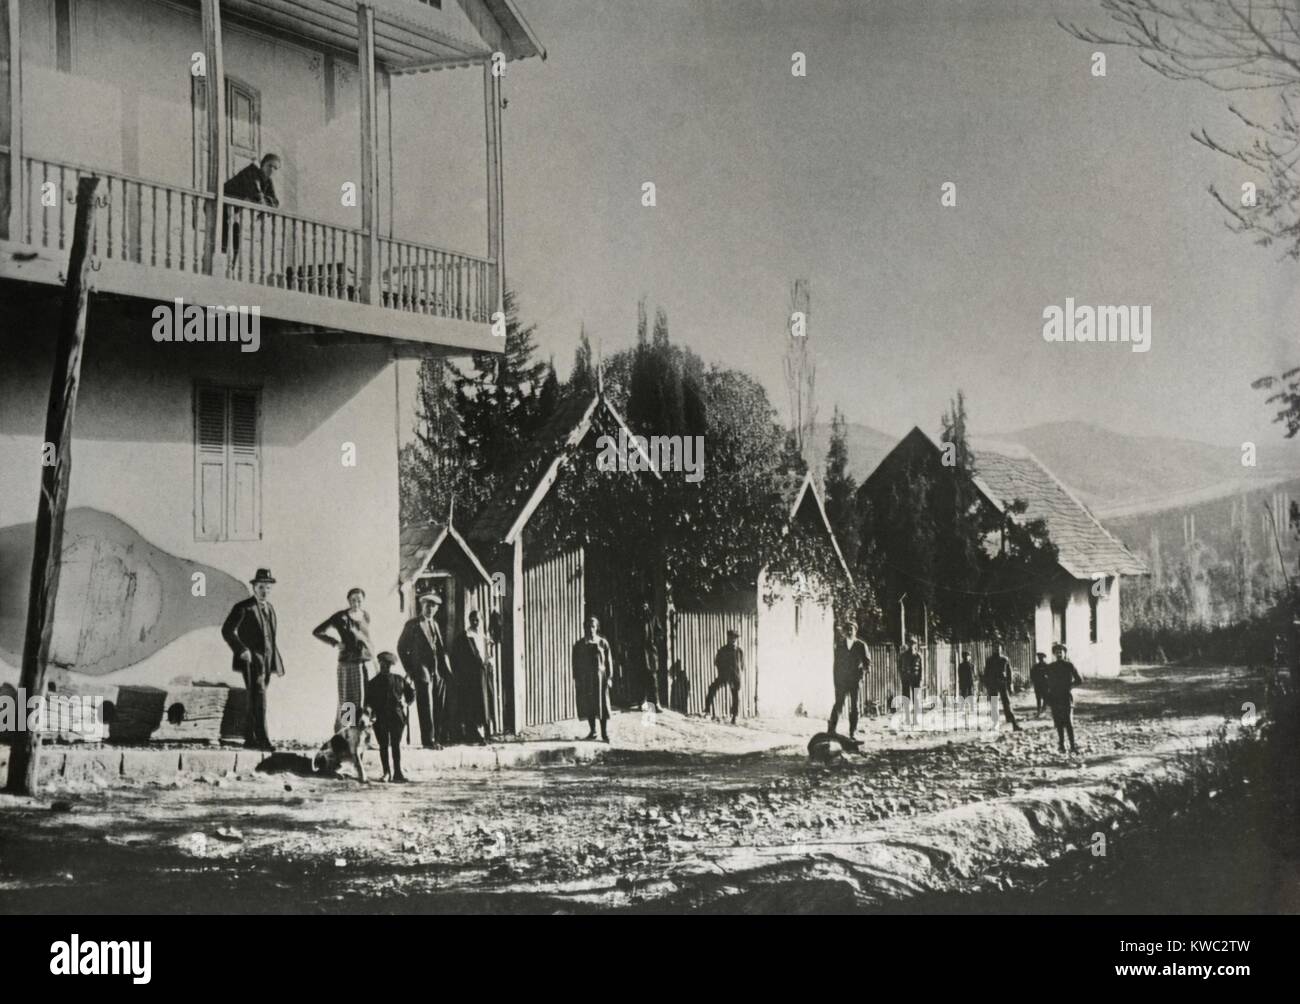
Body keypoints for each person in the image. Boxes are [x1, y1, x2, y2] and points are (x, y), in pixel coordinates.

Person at [220, 568, 285, 751]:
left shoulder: (270, 608)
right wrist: (241, 649)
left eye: (268, 587)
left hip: (267, 660)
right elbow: (227, 630)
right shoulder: (243, 607)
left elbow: (270, 637)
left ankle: (250, 739)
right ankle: (263, 739)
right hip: (251, 660)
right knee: (259, 697)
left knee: (255, 698)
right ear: (254, 587)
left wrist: (274, 660)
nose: (265, 591)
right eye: (261, 587)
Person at [313, 588, 375, 733]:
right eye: (353, 600)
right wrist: (335, 643)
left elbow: (367, 639)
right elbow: (318, 631)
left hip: (365, 662)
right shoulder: (341, 617)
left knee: (365, 698)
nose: (356, 603)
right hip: (348, 663)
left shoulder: (366, 616)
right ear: (348, 600)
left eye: (359, 600)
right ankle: (346, 734)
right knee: (348, 699)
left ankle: (361, 734)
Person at [397, 591, 452, 748]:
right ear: (422, 605)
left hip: (437, 672)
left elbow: (439, 649)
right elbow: (401, 648)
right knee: (425, 706)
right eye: (427, 605)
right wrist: (411, 670)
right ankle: (428, 741)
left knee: (438, 705)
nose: (430, 608)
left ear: (436, 609)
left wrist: (444, 670)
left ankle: (438, 738)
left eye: (433, 606)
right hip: (422, 672)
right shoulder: (412, 625)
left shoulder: (435, 624)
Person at [364, 651, 415, 783]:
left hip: (396, 717)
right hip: (380, 718)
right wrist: (370, 713)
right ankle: (386, 772)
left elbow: (411, 695)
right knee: (383, 745)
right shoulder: (373, 683)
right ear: (379, 664)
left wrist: (406, 701)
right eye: (382, 664)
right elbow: (367, 701)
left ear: (392, 665)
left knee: (395, 745)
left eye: (387, 665)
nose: (385, 667)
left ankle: (398, 772)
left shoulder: (399, 680)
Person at [222, 153, 280, 268]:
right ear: (263, 165)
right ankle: (223, 267)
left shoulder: (268, 180)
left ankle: (230, 269)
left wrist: (266, 201)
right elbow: (256, 196)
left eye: (275, 168)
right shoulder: (251, 172)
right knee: (223, 240)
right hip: (221, 206)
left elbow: (276, 203)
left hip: (233, 211)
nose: (272, 170)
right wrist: (265, 200)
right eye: (270, 166)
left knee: (235, 240)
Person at [454, 609, 496, 745]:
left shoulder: (484, 637)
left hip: (483, 675)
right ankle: (474, 735)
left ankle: (486, 733)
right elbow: (457, 659)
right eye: (473, 620)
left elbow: (487, 656)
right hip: (471, 678)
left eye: (478, 620)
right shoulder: (464, 637)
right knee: (473, 704)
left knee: (485, 704)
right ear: (469, 620)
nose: (475, 622)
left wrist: (489, 661)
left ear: (482, 621)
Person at [572, 614, 614, 742]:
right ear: (584, 628)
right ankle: (593, 731)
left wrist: (610, 677)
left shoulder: (603, 642)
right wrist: (577, 678)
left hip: (600, 678)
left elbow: (608, 661)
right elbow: (575, 663)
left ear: (597, 628)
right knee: (589, 704)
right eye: (588, 626)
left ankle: (604, 733)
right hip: (586, 679)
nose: (590, 629)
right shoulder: (579, 645)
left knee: (602, 705)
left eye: (593, 626)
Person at [827, 620, 870, 739]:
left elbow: (868, 664)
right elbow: (836, 664)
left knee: (854, 706)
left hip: (855, 681)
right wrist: (836, 679)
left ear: (856, 631)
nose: (850, 632)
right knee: (838, 704)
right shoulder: (840, 645)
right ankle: (831, 730)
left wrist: (862, 677)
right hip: (842, 680)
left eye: (853, 629)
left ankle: (853, 732)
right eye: (848, 629)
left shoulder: (861, 645)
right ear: (845, 632)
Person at [1046, 644, 1083, 754]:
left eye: (1061, 651)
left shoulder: (1069, 665)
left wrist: (1069, 686)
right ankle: (1061, 745)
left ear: (1065, 653)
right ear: (1054, 654)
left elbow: (1079, 680)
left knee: (1068, 722)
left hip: (1066, 697)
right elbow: (1046, 682)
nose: (1059, 653)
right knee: (1058, 722)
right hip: (1054, 697)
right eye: (1057, 652)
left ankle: (1072, 746)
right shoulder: (1050, 667)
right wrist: (1048, 693)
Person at [705, 627, 745, 725]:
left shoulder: (739, 651)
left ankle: (734, 717)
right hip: (724, 674)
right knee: (712, 689)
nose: (734, 640)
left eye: (735, 638)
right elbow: (717, 662)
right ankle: (707, 711)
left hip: (735, 676)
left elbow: (742, 665)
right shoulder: (723, 650)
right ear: (728, 638)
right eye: (732, 638)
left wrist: (738, 675)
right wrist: (722, 673)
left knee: (735, 696)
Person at [630, 601, 664, 714]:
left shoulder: (653, 618)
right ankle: (642, 702)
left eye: (645, 605)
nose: (643, 607)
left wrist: (655, 641)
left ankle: (656, 703)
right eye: (642, 606)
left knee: (653, 678)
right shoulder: (636, 619)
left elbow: (660, 632)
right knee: (640, 677)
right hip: (639, 651)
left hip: (651, 652)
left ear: (648, 606)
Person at [982, 640, 1022, 731]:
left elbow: (1009, 673)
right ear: (992, 649)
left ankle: (1014, 724)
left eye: (998, 647)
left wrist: (1010, 684)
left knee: (1007, 704)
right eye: (995, 647)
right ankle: (995, 725)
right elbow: (986, 673)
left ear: (1001, 649)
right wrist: (987, 685)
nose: (997, 649)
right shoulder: (989, 660)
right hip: (993, 684)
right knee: (994, 704)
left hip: (1002, 683)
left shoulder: (1004, 659)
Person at [897, 637, 923, 726]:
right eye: (910, 643)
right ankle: (907, 719)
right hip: (906, 679)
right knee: (906, 699)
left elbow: (921, 669)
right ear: (908, 644)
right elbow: (899, 666)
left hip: (916, 679)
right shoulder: (903, 655)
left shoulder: (918, 656)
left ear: (915, 645)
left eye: (914, 643)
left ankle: (915, 719)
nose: (912, 645)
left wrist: (921, 679)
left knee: (916, 700)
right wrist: (902, 676)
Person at [1030, 651, 1050, 717]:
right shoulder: (1035, 667)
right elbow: (1032, 675)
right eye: (1039, 658)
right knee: (1038, 698)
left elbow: (1051, 675)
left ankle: (1043, 710)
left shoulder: (1047, 666)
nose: (1040, 659)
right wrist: (1034, 681)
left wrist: (1048, 679)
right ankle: (1038, 710)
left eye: (1042, 658)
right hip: (1038, 685)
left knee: (1045, 698)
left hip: (1045, 685)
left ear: (1044, 658)